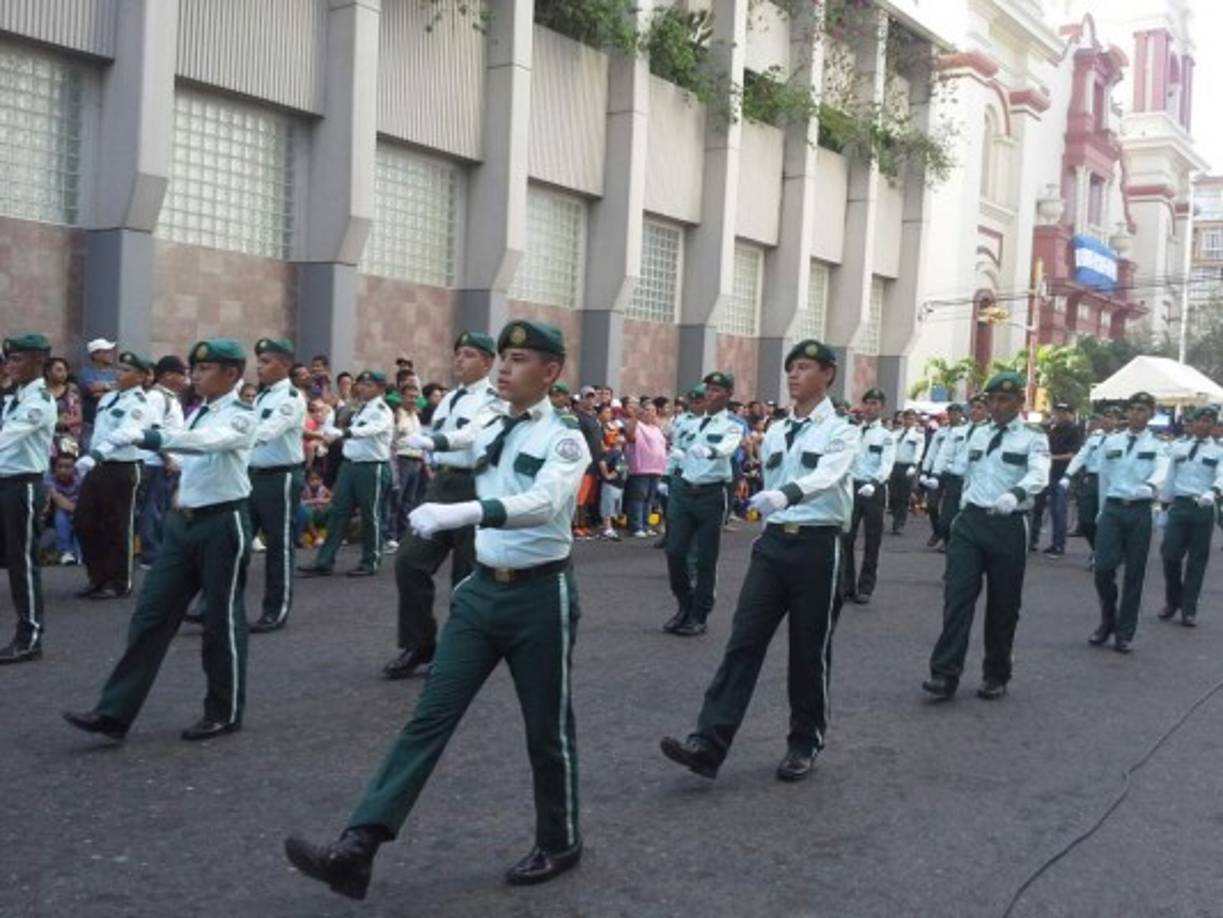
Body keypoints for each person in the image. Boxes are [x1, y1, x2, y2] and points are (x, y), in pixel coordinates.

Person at [283, 320, 589, 900]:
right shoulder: (494, 417)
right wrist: (428, 443)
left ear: (550, 372)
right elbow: (469, 442)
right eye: (502, 357)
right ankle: (359, 845)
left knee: (546, 730)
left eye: (519, 359)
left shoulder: (566, 435)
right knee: (429, 718)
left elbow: (546, 502)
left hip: (538, 597)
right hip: (480, 593)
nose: (504, 367)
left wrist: (463, 513)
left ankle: (560, 839)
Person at [660, 340, 856, 782]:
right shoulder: (778, 430)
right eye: (791, 368)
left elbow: (828, 476)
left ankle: (804, 741)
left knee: (809, 651)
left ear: (828, 375)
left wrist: (785, 495)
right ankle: (708, 744)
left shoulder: (842, 430)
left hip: (817, 546)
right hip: (773, 546)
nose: (793, 375)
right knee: (743, 643)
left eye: (804, 367)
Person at [63, 338, 257, 739]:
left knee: (220, 621)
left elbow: (209, 444)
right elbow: (186, 455)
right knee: (150, 616)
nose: (195, 375)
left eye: (205, 369)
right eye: (195, 369)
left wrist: (150, 440)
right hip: (183, 524)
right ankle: (114, 712)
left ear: (231, 374)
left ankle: (224, 710)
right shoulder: (197, 412)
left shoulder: (240, 415)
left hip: (222, 523)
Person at [380, 331, 502, 680]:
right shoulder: (449, 399)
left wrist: (431, 440)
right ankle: (419, 643)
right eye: (458, 354)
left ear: (488, 362)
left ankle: (457, 651)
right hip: (443, 484)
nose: (459, 360)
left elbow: (470, 436)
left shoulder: (494, 401)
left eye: (468, 354)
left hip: (475, 485)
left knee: (466, 576)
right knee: (409, 561)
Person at [922, 371, 1050, 700]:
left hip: (1008, 524)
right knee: (957, 597)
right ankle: (944, 673)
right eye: (991, 399)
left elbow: (1039, 473)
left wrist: (1017, 493)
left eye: (1004, 399)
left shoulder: (1033, 438)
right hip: (971, 522)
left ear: (1020, 401)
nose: (996, 406)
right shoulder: (976, 434)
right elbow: (965, 472)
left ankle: (996, 673)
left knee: (1003, 604)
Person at [1088, 391, 1169, 653]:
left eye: (1143, 410)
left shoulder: (1159, 445)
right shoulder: (1111, 442)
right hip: (1113, 508)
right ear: (1127, 412)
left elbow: (1163, 470)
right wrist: (1101, 510)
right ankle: (1107, 619)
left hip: (1139, 510)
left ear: (1151, 415)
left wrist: (1150, 487)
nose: (1137, 414)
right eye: (1133, 409)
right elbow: (1104, 478)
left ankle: (1125, 632)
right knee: (1102, 569)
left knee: (1135, 573)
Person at [73, 351, 156, 600]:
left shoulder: (141, 405)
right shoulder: (108, 398)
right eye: (118, 370)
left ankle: (119, 582)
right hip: (97, 466)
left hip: (122, 467)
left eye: (126, 371)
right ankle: (97, 576)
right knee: (84, 520)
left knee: (118, 525)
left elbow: (125, 434)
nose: (119, 374)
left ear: (141, 377)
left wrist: (95, 455)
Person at [663, 371, 741, 637]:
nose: (710, 394)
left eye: (717, 390)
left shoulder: (732, 425)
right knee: (674, 552)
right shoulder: (690, 424)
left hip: (711, 494)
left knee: (706, 558)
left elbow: (730, 446)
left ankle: (699, 613)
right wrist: (668, 474)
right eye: (708, 389)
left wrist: (712, 451)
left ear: (729, 395)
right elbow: (678, 451)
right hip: (684, 491)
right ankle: (684, 604)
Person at [299, 371, 394, 578]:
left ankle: (371, 560)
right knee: (338, 511)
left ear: (380, 388)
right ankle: (324, 561)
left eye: (368, 385)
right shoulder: (361, 408)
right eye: (361, 384)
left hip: (371, 466)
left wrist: (345, 433)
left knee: (371, 515)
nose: (362, 388)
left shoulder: (381, 409)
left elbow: (372, 429)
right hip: (350, 465)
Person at [0, 335, 58, 664]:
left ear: (38, 363)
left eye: (18, 359)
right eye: (9, 359)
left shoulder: (39, 401)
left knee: (23, 562)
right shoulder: (16, 397)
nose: (10, 365)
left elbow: (8, 438)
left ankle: (30, 636)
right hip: (6, 483)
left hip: (22, 487)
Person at [246, 338, 308, 633]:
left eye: (266, 361)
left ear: (284, 365)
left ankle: (275, 609)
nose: (259, 366)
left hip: (280, 477)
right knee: (235, 541)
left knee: (278, 545)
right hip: (253, 474)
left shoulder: (291, 398)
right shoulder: (261, 397)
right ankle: (212, 603)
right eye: (258, 360)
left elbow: (268, 432)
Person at [1156, 406, 1223, 627]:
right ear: (1192, 423)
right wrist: (1164, 507)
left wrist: (1213, 492)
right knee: (1169, 555)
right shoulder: (1179, 447)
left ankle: (1189, 608)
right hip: (1180, 505)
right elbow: (1169, 476)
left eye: (1209, 421)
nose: (1204, 425)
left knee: (1197, 561)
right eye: (1200, 420)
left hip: (1202, 507)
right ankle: (1173, 599)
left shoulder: (1219, 451)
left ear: (1214, 425)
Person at [844, 388, 896, 604]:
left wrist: (874, 483)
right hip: (853, 487)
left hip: (874, 490)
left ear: (882, 407)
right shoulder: (854, 432)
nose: (870, 407)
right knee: (846, 537)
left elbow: (887, 464)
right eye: (867, 403)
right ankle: (846, 585)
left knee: (872, 541)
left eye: (875, 403)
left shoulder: (886, 436)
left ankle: (865, 586)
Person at [137, 356, 188, 568]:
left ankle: (162, 549)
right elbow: (153, 431)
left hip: (170, 463)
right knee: (153, 509)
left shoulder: (171, 397)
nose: (185, 379)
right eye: (181, 374)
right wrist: (166, 459)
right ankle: (150, 554)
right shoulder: (157, 397)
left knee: (165, 509)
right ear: (168, 375)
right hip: (156, 463)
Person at [1059, 407, 1116, 563]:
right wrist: (1068, 475)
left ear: (1117, 421)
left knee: (1106, 520)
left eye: (1111, 418)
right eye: (1105, 417)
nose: (1106, 421)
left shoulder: (1122, 439)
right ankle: (1098, 549)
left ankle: (1103, 553)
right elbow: (1081, 456)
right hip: (1091, 480)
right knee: (1086, 521)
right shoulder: (1094, 438)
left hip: (1111, 482)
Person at [1031, 402, 1081, 556]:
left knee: (1058, 511)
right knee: (1037, 508)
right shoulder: (1052, 430)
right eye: (1057, 412)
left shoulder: (1074, 431)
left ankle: (1058, 545)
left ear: (1070, 414)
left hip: (1062, 475)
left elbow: (1074, 455)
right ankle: (1032, 541)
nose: (1058, 415)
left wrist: (1052, 457)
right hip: (1046, 474)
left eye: (1063, 412)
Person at [623, 399, 667, 538]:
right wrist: (635, 417)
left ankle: (645, 525)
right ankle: (636, 527)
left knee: (649, 499)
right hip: (641, 468)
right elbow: (629, 436)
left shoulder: (656, 428)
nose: (651, 413)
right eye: (648, 410)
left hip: (656, 468)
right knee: (638, 498)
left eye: (653, 410)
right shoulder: (638, 425)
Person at [389, 380, 426, 544]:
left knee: (409, 501)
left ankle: (403, 536)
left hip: (416, 460)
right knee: (396, 499)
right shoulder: (396, 414)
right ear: (402, 397)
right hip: (401, 459)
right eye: (410, 397)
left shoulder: (415, 415)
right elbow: (394, 440)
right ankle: (390, 536)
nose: (413, 400)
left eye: (415, 397)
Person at [919, 410, 956, 547]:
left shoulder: (964, 432)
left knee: (949, 509)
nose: (952, 417)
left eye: (955, 414)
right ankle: (938, 531)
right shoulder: (940, 433)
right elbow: (932, 451)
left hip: (953, 473)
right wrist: (925, 470)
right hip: (936, 472)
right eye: (950, 414)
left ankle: (947, 539)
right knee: (931, 505)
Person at [77, 338, 119, 449]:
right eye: (106, 352)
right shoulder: (85, 373)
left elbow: (120, 392)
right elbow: (92, 390)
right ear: (95, 355)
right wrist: (112, 387)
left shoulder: (116, 374)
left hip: (111, 425)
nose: (111, 354)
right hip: (91, 424)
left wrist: (103, 388)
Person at [888, 409, 925, 534]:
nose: (908, 421)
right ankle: (895, 514)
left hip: (907, 466)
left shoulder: (918, 435)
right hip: (894, 466)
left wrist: (914, 465)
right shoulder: (895, 433)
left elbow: (918, 451)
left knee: (903, 497)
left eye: (911, 419)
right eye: (906, 418)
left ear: (915, 421)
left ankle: (899, 523)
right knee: (893, 495)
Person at [44, 453, 83, 564]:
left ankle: (79, 552)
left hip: (80, 514)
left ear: (74, 469)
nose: (63, 470)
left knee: (82, 517)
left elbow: (85, 505)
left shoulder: (81, 479)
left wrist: (77, 512)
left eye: (67, 467)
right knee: (61, 513)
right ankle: (66, 552)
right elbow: (59, 501)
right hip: (56, 519)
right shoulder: (49, 480)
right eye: (59, 466)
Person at [597, 430, 627, 540]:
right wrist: (607, 475)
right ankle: (607, 528)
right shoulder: (612, 452)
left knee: (615, 507)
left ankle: (610, 528)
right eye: (618, 436)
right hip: (611, 484)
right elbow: (602, 462)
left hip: (619, 485)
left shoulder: (620, 453)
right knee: (607, 506)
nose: (622, 437)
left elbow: (621, 467)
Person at [45, 356, 83, 441]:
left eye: (65, 370)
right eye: (59, 370)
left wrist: (63, 422)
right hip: (45, 436)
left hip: (67, 439)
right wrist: (54, 422)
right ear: (48, 372)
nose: (63, 374)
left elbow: (79, 418)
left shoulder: (71, 389)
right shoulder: (40, 391)